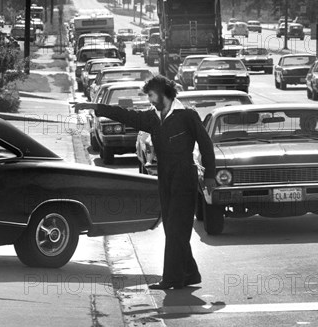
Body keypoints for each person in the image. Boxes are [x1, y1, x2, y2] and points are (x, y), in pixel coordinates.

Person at [75, 75, 216, 290]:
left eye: (151, 95)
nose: (149, 100)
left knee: (178, 228)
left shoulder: (187, 115)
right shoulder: (152, 118)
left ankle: (172, 279)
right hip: (164, 178)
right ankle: (190, 273)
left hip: (184, 177)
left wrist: (209, 177)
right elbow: (125, 115)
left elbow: (206, 145)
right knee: (171, 228)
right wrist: (96, 106)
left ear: (163, 93)